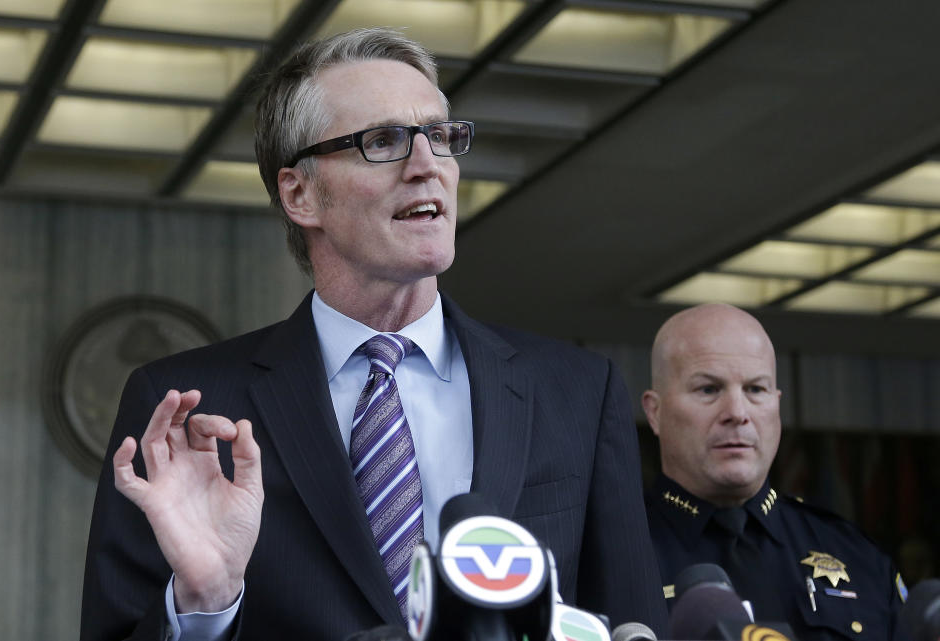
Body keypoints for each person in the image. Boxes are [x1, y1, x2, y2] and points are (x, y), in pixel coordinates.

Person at [80, 28, 667, 641]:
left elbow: (631, 621)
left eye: (438, 137)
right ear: (300, 194)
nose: (427, 167)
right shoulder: (184, 407)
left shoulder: (576, 389)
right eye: (382, 142)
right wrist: (204, 602)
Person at [641, 303, 909, 641]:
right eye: (708, 389)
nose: (737, 413)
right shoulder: (609, 552)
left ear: (776, 403)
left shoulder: (855, 555)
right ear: (655, 412)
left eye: (755, 389)